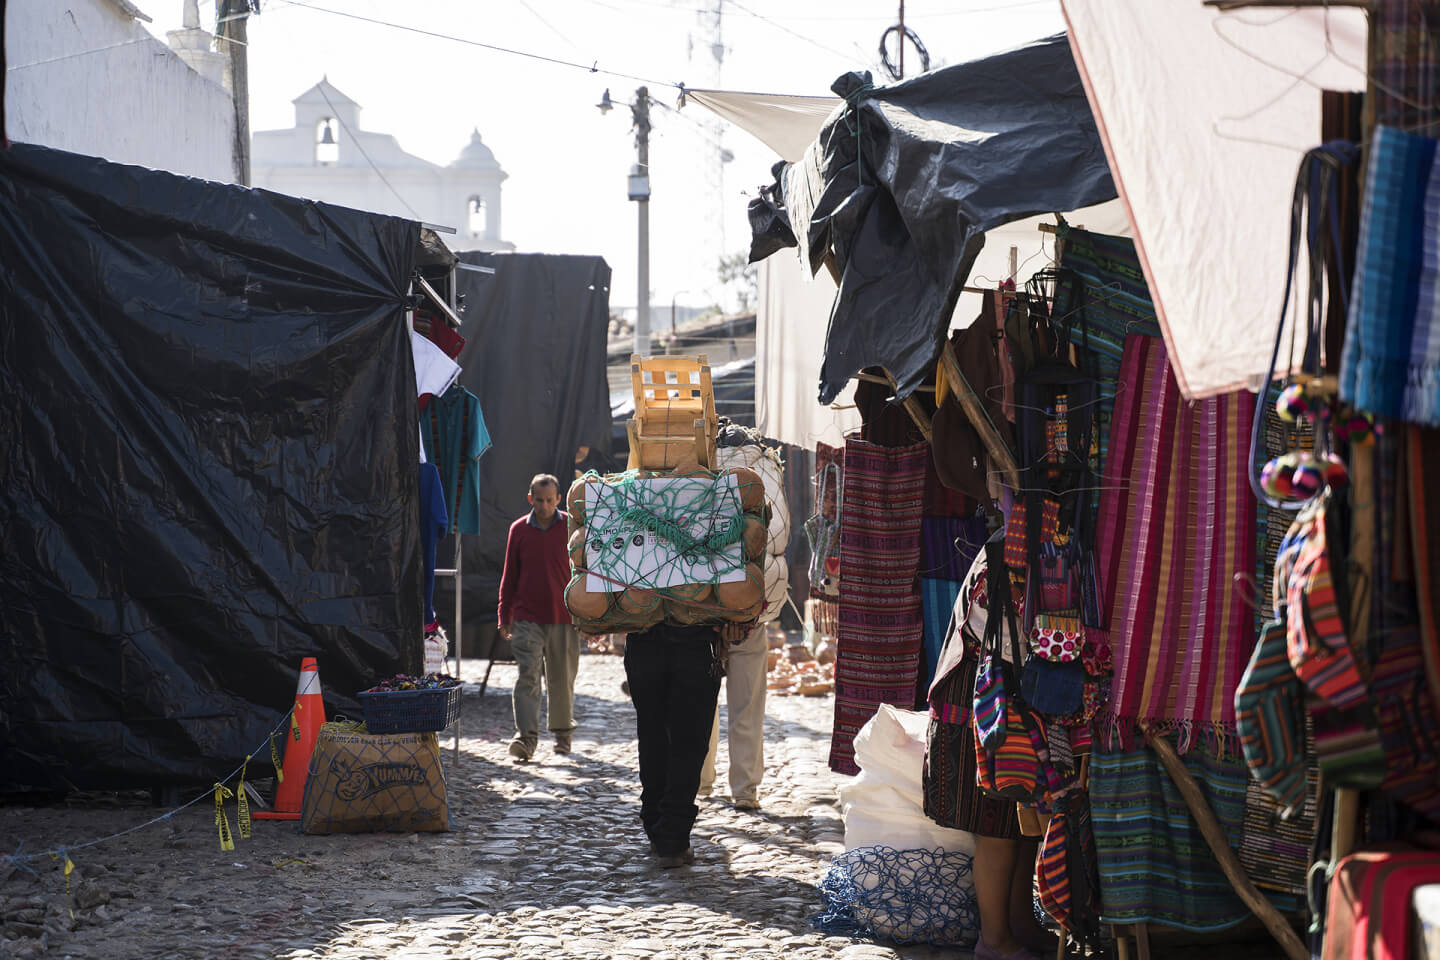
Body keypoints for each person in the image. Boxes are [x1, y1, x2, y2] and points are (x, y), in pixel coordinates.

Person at [924, 537, 1056, 960]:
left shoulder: (1015, 545)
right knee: (997, 828)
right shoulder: (1010, 556)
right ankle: (994, 939)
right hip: (985, 707)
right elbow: (1012, 639)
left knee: (1019, 825)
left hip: (999, 697)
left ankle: (1018, 923)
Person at [625, 618, 751, 867]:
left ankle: (657, 825)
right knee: (689, 744)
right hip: (695, 644)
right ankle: (672, 836)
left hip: (644, 640)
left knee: (652, 736)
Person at [498, 474, 579, 761]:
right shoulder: (518, 530)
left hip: (564, 616)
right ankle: (526, 738)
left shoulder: (571, 526)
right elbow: (510, 575)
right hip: (526, 616)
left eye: (550, 500)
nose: (544, 506)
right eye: (539, 500)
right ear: (530, 498)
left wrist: (590, 614)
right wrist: (504, 613)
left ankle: (562, 735)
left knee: (562, 679)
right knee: (527, 676)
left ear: (558, 499)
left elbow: (584, 570)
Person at [697, 621, 768, 809]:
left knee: (703, 707)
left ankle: (701, 781)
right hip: (741, 617)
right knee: (744, 709)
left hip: (702, 620)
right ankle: (743, 789)